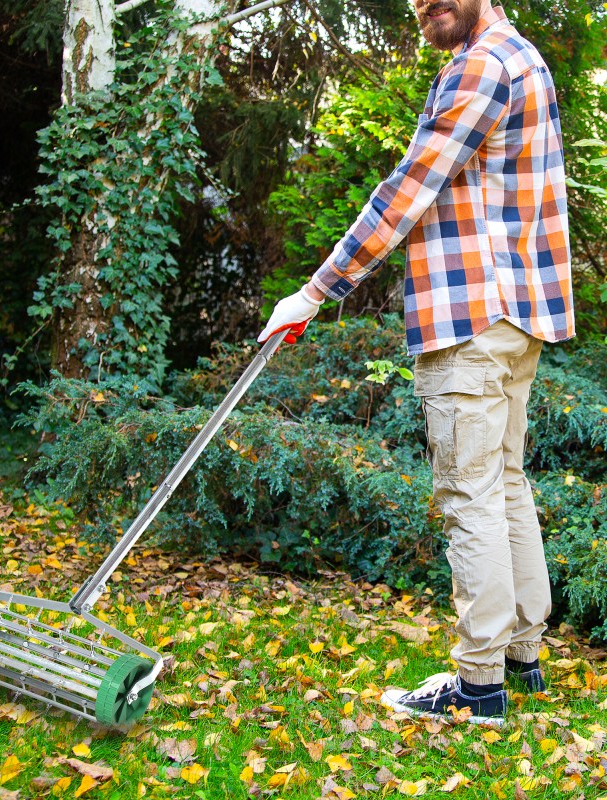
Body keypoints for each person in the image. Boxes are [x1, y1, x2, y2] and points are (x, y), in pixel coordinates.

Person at [258, 0, 575, 727]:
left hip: (471, 315)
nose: (421, 4)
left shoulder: (480, 66)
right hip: (516, 313)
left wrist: (315, 292)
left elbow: (408, 190)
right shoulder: (523, 56)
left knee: (468, 492)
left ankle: (478, 684)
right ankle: (521, 658)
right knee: (503, 481)